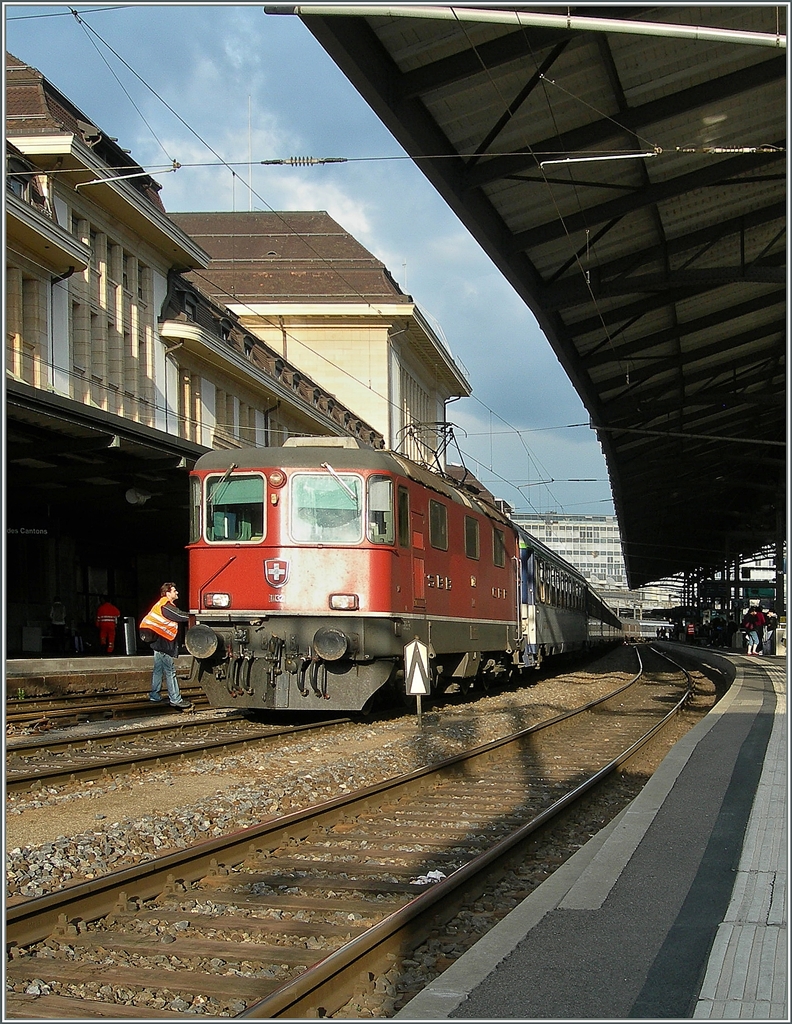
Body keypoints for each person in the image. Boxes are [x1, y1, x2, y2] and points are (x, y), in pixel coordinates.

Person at [140, 583, 192, 710]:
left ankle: (154, 694)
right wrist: (195, 616)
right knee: (170, 671)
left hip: (157, 641)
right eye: (175, 591)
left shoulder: (160, 605)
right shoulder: (166, 606)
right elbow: (180, 615)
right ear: (168, 593)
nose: (177, 593)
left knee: (158, 668)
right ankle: (175, 699)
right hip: (162, 643)